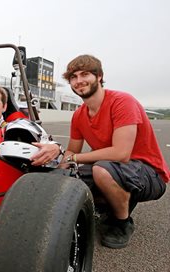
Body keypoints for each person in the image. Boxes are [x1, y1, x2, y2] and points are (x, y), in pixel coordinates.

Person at [60, 55, 169, 249]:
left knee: (102, 170)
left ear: (99, 76)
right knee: (69, 177)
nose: (79, 81)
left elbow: (121, 153)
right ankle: (107, 204)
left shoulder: (122, 101)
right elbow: (71, 151)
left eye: (85, 74)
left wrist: (74, 158)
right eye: (73, 77)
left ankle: (122, 222)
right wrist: (59, 169)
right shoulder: (78, 115)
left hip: (149, 173)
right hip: (114, 167)